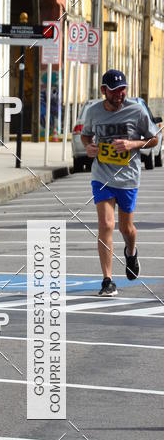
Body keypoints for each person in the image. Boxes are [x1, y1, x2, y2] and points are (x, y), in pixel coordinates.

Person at [81, 69, 159, 296]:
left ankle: (131, 252)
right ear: (104, 90)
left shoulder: (137, 110)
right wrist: (89, 146)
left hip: (128, 177)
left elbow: (154, 139)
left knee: (127, 228)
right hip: (102, 176)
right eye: (114, 91)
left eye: (122, 89)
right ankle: (107, 280)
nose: (119, 94)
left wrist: (132, 144)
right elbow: (86, 135)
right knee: (106, 224)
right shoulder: (94, 111)